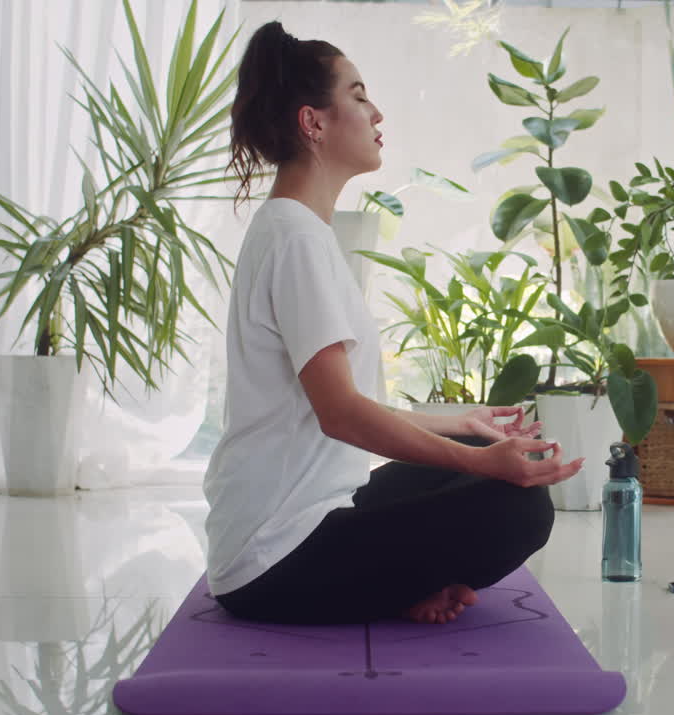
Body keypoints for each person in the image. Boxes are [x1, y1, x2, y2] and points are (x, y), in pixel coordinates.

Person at [204, 21, 584, 626]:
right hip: (275, 556)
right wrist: (482, 464)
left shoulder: (297, 230)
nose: (376, 111)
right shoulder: (297, 240)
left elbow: (340, 405)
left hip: (311, 516)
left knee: (472, 448)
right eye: (357, 95)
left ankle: (400, 582)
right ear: (314, 122)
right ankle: (398, 585)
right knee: (519, 509)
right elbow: (342, 414)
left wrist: (463, 423)